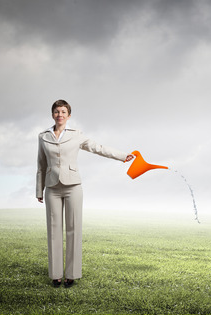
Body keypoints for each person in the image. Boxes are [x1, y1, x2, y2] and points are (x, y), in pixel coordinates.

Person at [36, 99, 133, 288]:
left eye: (63, 112)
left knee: (73, 230)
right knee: (54, 232)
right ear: (52, 114)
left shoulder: (76, 135)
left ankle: (71, 274)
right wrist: (39, 189)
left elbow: (98, 148)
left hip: (73, 186)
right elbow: (41, 164)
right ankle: (56, 275)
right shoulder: (43, 136)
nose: (60, 115)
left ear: (69, 115)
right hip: (52, 188)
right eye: (57, 112)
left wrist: (122, 156)